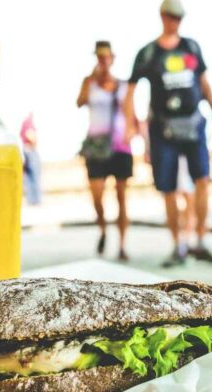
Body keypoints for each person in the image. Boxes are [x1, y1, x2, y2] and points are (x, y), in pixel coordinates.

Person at [123, 0, 212, 267]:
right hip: (162, 129)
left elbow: (204, 83)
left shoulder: (191, 48)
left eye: (179, 18)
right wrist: (131, 124)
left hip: (193, 124)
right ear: (162, 17)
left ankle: (199, 241)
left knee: (202, 180)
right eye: (171, 17)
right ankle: (178, 245)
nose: (175, 22)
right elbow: (130, 92)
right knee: (168, 189)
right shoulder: (148, 53)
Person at [77, 41, 133, 261]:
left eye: (106, 57)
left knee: (121, 197)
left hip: (120, 145)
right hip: (96, 144)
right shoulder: (88, 82)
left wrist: (135, 135)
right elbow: (79, 102)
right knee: (97, 197)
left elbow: (131, 113)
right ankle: (102, 228)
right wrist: (92, 77)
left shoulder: (123, 85)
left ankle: (122, 244)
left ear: (113, 58)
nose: (103, 60)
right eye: (99, 57)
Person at [20, 112, 42, 206]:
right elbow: (30, 134)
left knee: (28, 177)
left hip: (25, 149)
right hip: (30, 149)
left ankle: (31, 200)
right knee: (35, 175)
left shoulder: (24, 122)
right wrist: (35, 144)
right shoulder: (29, 121)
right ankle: (36, 200)